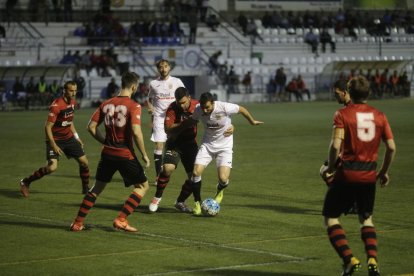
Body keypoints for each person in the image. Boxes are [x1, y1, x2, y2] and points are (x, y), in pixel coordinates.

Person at [320, 76, 396, 276]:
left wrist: (332, 166)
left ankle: (349, 259)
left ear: (349, 93)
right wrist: (383, 172)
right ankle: (373, 259)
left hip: (347, 174)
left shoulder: (343, 114)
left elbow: (336, 145)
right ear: (368, 93)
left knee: (331, 219)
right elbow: (391, 148)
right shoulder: (379, 115)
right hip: (369, 175)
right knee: (367, 219)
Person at [70, 71, 150, 232]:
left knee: (96, 188)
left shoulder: (106, 103)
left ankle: (77, 223)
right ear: (134, 87)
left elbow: (91, 127)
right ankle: (121, 219)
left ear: (122, 84)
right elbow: (136, 131)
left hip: (107, 153)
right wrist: (144, 154)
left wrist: (105, 141)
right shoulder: (133, 106)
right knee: (143, 186)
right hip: (124, 153)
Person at [187, 92, 263, 215]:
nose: (205, 110)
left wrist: (252, 121)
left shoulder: (224, 107)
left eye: (207, 107)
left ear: (213, 103)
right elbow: (192, 121)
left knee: (223, 178)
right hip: (207, 145)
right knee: (196, 172)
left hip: (225, 147)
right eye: (203, 107)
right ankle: (197, 203)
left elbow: (242, 109)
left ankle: (220, 190)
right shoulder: (198, 110)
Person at [19, 81, 90, 198]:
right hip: (55, 139)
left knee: (84, 163)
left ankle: (85, 188)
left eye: (75, 90)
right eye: (71, 90)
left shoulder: (73, 102)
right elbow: (47, 127)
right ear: (64, 91)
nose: (74, 93)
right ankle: (26, 182)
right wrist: (54, 145)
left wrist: (77, 137)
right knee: (52, 167)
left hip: (69, 138)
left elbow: (69, 121)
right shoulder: (57, 105)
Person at [147, 59, 185, 182]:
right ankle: (158, 176)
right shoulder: (153, 83)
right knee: (159, 145)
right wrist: (151, 107)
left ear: (169, 68)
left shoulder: (177, 82)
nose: (163, 69)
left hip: (173, 117)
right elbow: (149, 98)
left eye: (165, 66)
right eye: (161, 67)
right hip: (159, 117)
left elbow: (184, 96)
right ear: (158, 69)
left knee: (177, 144)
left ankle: (179, 167)